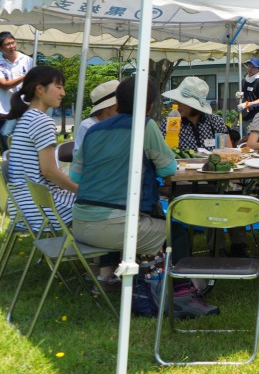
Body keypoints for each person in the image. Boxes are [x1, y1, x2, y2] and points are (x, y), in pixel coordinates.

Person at [71, 76, 218, 317]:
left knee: (152, 220)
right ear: (149, 106)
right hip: (112, 226)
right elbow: (168, 169)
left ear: (116, 102)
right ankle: (183, 297)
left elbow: (76, 177)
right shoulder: (144, 125)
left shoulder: (92, 131)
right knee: (177, 233)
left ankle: (148, 285)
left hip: (80, 223)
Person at [5, 65, 76, 230]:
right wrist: (79, 190)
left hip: (23, 207)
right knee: (101, 203)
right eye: (58, 87)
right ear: (39, 89)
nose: (63, 93)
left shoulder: (25, 118)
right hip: (43, 209)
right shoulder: (42, 121)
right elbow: (49, 172)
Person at [0, 31, 33, 155]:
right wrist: (25, 76)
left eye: (13, 42)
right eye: (7, 44)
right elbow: (4, 85)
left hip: (24, 108)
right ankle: (6, 170)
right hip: (4, 109)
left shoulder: (28, 60)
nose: (12, 46)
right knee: (4, 139)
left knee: (25, 141)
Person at [161, 77, 230, 151]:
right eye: (176, 100)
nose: (177, 104)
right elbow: (162, 153)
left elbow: (228, 151)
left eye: (181, 102)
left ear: (194, 106)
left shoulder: (215, 122)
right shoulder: (170, 123)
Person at [74, 80, 120, 152]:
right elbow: (79, 156)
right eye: (119, 105)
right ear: (107, 108)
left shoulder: (121, 123)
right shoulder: (87, 126)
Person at [237, 57, 259, 124]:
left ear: (258, 69)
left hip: (254, 118)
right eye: (249, 66)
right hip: (242, 116)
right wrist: (238, 96)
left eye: (253, 67)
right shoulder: (244, 80)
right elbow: (240, 100)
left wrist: (248, 104)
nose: (250, 69)